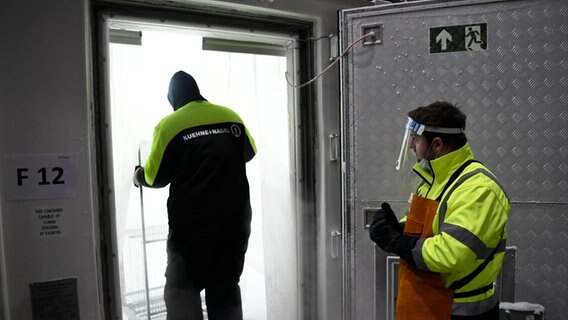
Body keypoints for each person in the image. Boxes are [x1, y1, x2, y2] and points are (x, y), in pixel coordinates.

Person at [369, 101, 510, 320]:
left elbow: (452, 253)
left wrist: (398, 242)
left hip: (459, 311)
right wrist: (398, 229)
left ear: (437, 144)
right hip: (426, 304)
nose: (410, 147)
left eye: (415, 140)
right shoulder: (433, 182)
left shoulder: (478, 189)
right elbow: (428, 229)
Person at [133, 71, 256, 320]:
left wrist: (138, 176)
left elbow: (155, 177)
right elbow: (249, 153)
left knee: (182, 296)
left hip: (192, 236)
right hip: (234, 229)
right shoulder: (232, 117)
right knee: (225, 295)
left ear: (173, 97)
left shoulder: (169, 125)